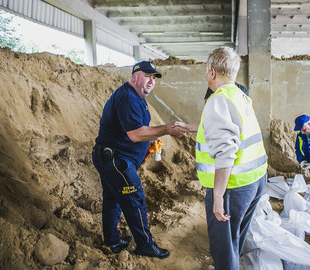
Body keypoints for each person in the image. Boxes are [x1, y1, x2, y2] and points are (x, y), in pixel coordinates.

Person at [92, 61, 187, 258]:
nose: (152, 80)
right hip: (116, 161)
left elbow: (137, 132)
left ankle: (112, 241)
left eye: (154, 78)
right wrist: (167, 129)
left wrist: (150, 140)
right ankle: (145, 246)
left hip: (112, 159)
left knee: (113, 200)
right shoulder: (127, 97)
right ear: (134, 77)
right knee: (135, 200)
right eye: (148, 76)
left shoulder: (137, 98)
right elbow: (135, 134)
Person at [195, 47, 268, 269]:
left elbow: (226, 152)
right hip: (255, 179)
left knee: (223, 247)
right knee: (235, 238)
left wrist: (218, 196)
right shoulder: (240, 96)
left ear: (212, 72)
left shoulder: (217, 101)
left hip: (233, 186)